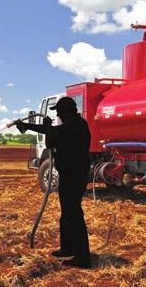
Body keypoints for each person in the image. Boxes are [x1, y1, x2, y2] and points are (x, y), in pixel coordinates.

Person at [15, 96, 91, 269]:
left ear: (66, 111)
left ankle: (83, 258)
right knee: (67, 213)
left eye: (59, 110)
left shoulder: (75, 125)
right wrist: (27, 126)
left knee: (74, 215)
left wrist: (48, 127)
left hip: (74, 176)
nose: (57, 113)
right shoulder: (73, 124)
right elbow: (54, 132)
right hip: (70, 174)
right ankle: (67, 249)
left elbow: (50, 140)